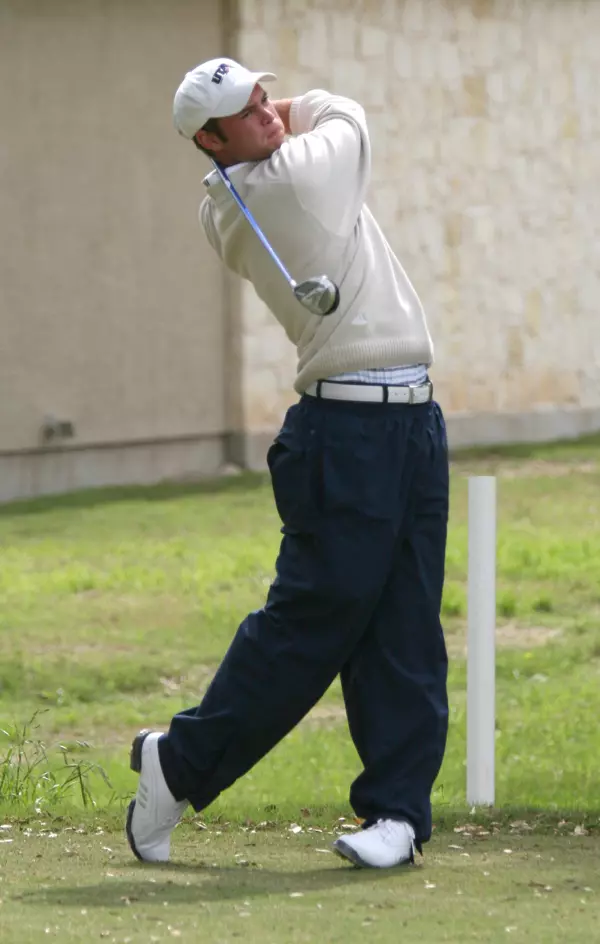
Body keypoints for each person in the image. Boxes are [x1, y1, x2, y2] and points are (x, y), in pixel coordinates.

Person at [126, 56, 450, 870]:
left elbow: (285, 134)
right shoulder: (296, 181)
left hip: (408, 422)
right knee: (313, 626)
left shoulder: (228, 202)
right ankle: (178, 765)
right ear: (209, 140)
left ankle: (396, 816)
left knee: (404, 624)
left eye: (265, 96)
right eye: (245, 110)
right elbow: (349, 113)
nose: (268, 112)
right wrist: (299, 106)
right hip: (349, 434)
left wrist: (262, 115)